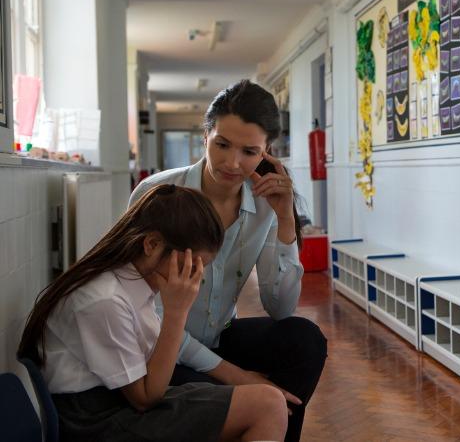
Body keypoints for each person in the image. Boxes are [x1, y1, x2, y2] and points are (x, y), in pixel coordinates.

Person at [129, 79, 327, 442]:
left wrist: (285, 219)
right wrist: (235, 375)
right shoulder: (157, 195)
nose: (232, 163)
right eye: (221, 144)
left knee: (305, 338)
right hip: (160, 351)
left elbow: (281, 308)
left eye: (249, 151)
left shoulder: (267, 202)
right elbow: (146, 315)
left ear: (268, 152)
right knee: (237, 395)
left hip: (217, 339)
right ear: (205, 135)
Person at [18, 184, 290, 442]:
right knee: (266, 406)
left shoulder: (133, 281)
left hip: (116, 402)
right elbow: (146, 397)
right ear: (151, 245)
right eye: (191, 263)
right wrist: (176, 312)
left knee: (264, 400)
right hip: (97, 420)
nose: (197, 275)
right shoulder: (105, 300)